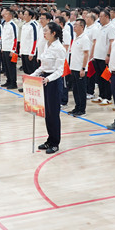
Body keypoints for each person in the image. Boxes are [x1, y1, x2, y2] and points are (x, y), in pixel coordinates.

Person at [32, 22, 68, 154]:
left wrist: (48, 79)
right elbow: (43, 66)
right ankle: (49, 140)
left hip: (53, 82)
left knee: (53, 114)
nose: (44, 32)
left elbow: (59, 71)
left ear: (53, 33)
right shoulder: (47, 45)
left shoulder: (59, 48)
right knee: (47, 113)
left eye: (46, 30)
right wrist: (33, 75)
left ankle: (55, 142)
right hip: (44, 79)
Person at [92, 10, 115, 106]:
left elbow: (112, 42)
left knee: (106, 78)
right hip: (97, 56)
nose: (99, 19)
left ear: (107, 17)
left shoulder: (111, 28)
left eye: (101, 16)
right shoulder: (100, 27)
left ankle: (107, 97)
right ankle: (101, 95)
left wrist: (108, 55)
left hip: (104, 57)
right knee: (99, 77)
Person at [67, 18, 90, 117]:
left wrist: (83, 68)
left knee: (81, 90)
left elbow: (86, 54)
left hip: (80, 69)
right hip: (74, 68)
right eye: (74, 25)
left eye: (76, 25)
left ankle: (82, 110)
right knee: (75, 90)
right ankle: (77, 107)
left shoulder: (85, 38)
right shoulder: (76, 37)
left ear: (82, 26)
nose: (74, 27)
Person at [0, 9, 18, 89]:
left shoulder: (13, 25)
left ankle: (13, 83)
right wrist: (2, 47)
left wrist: (13, 50)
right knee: (6, 67)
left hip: (10, 49)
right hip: (4, 48)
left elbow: (15, 38)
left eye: (6, 14)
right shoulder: (4, 24)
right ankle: (8, 80)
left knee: (11, 67)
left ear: (10, 16)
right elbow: (3, 37)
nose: (4, 15)